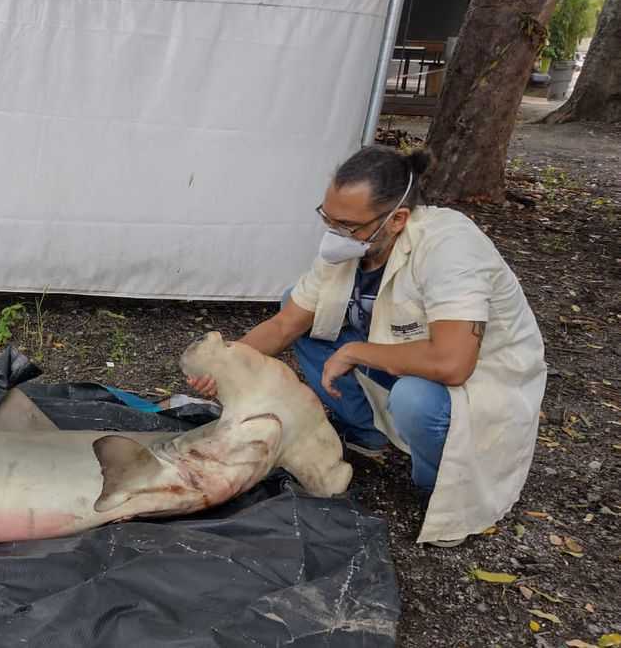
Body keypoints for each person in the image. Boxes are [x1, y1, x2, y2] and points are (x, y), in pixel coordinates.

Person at [189, 146, 546, 547]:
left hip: (477, 381)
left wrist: (356, 352)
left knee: (414, 400)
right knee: (300, 305)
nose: (335, 234)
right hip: (402, 350)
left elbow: (453, 363)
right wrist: (227, 364)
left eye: (347, 225)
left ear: (397, 219)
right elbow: (287, 323)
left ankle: (440, 486)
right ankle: (367, 433)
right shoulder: (356, 245)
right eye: (328, 219)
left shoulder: (451, 248)